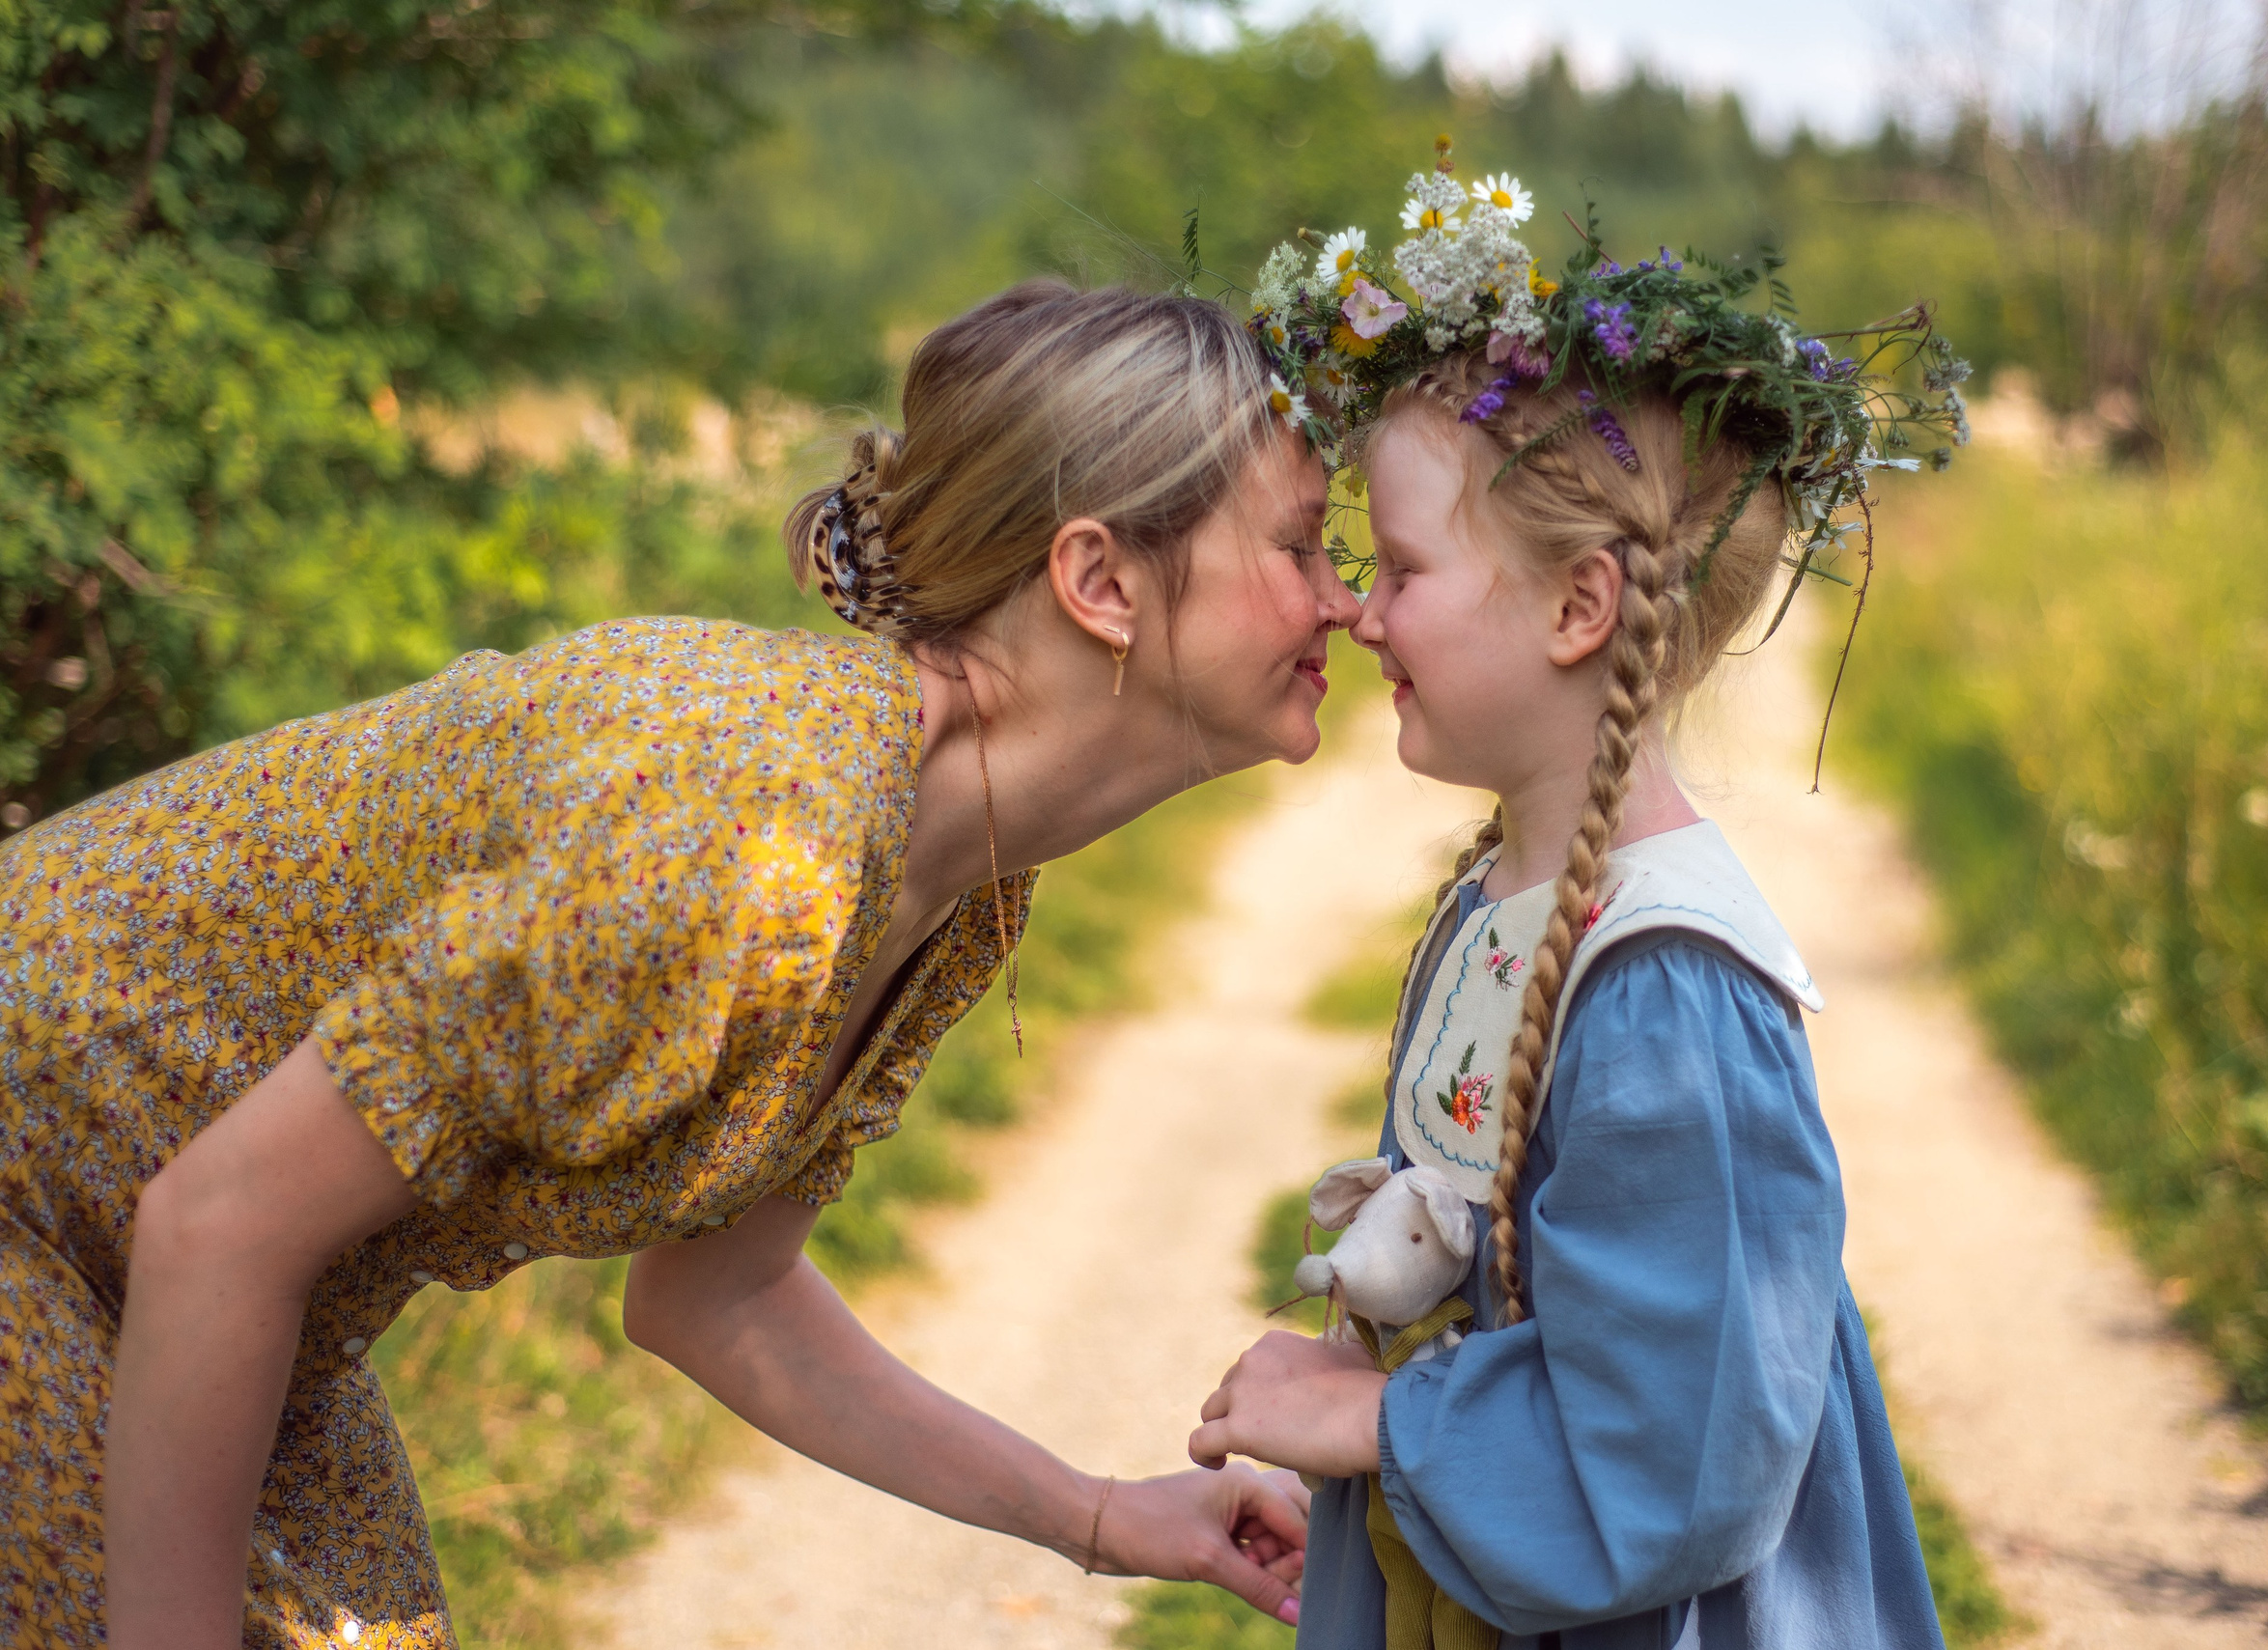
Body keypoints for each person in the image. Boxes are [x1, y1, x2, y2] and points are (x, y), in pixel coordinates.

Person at [0, 279, 1357, 1649]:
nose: (1347, 602)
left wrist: (1101, 1514)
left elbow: (720, 1293)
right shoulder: (752, 836)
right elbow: (216, 1226)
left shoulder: (956, 874)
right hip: (39, 1204)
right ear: (1102, 582)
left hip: (200, 1292)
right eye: (1302, 546)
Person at [1188, 347, 1949, 1648]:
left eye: (1406, 569)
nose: (1364, 615)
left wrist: (1374, 1419)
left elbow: (1678, 1443)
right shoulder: (1494, 900)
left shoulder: (1668, 990)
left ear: (1577, 605)